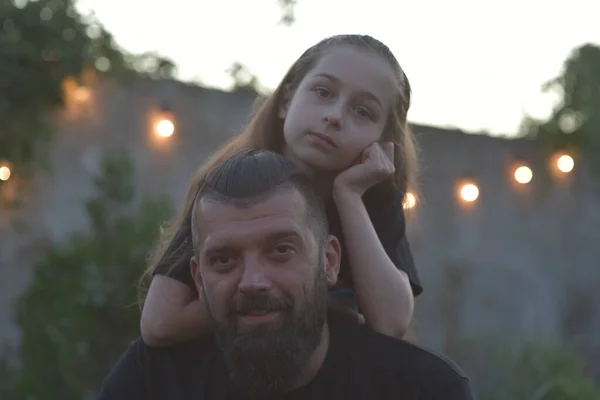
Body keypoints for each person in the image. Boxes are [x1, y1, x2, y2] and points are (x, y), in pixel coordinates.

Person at [99, 150, 474, 399]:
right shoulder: (154, 380)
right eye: (224, 260)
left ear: (329, 261)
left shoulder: (422, 389)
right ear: (197, 279)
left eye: (281, 250)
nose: (253, 281)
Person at [141, 34, 421, 346]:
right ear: (286, 100)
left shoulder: (374, 198)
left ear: (382, 142)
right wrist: (309, 302)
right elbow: (159, 323)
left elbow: (392, 322)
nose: (334, 116)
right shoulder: (230, 185)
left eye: (363, 112)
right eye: (323, 92)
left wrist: (349, 196)